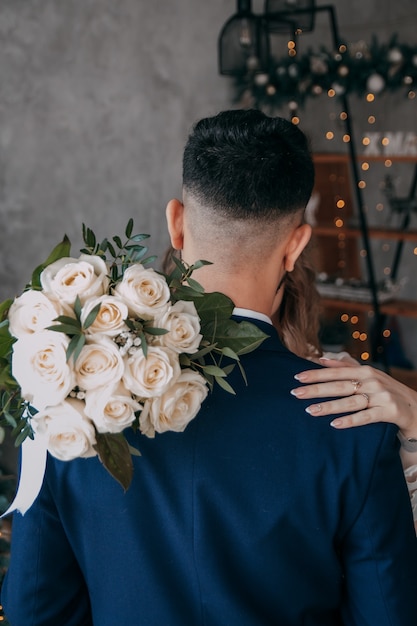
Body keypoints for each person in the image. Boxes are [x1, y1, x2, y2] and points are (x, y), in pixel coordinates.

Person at [3, 109, 417, 625]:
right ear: (296, 246)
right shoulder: (357, 429)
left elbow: (34, 613)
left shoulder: (62, 404)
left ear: (176, 223)